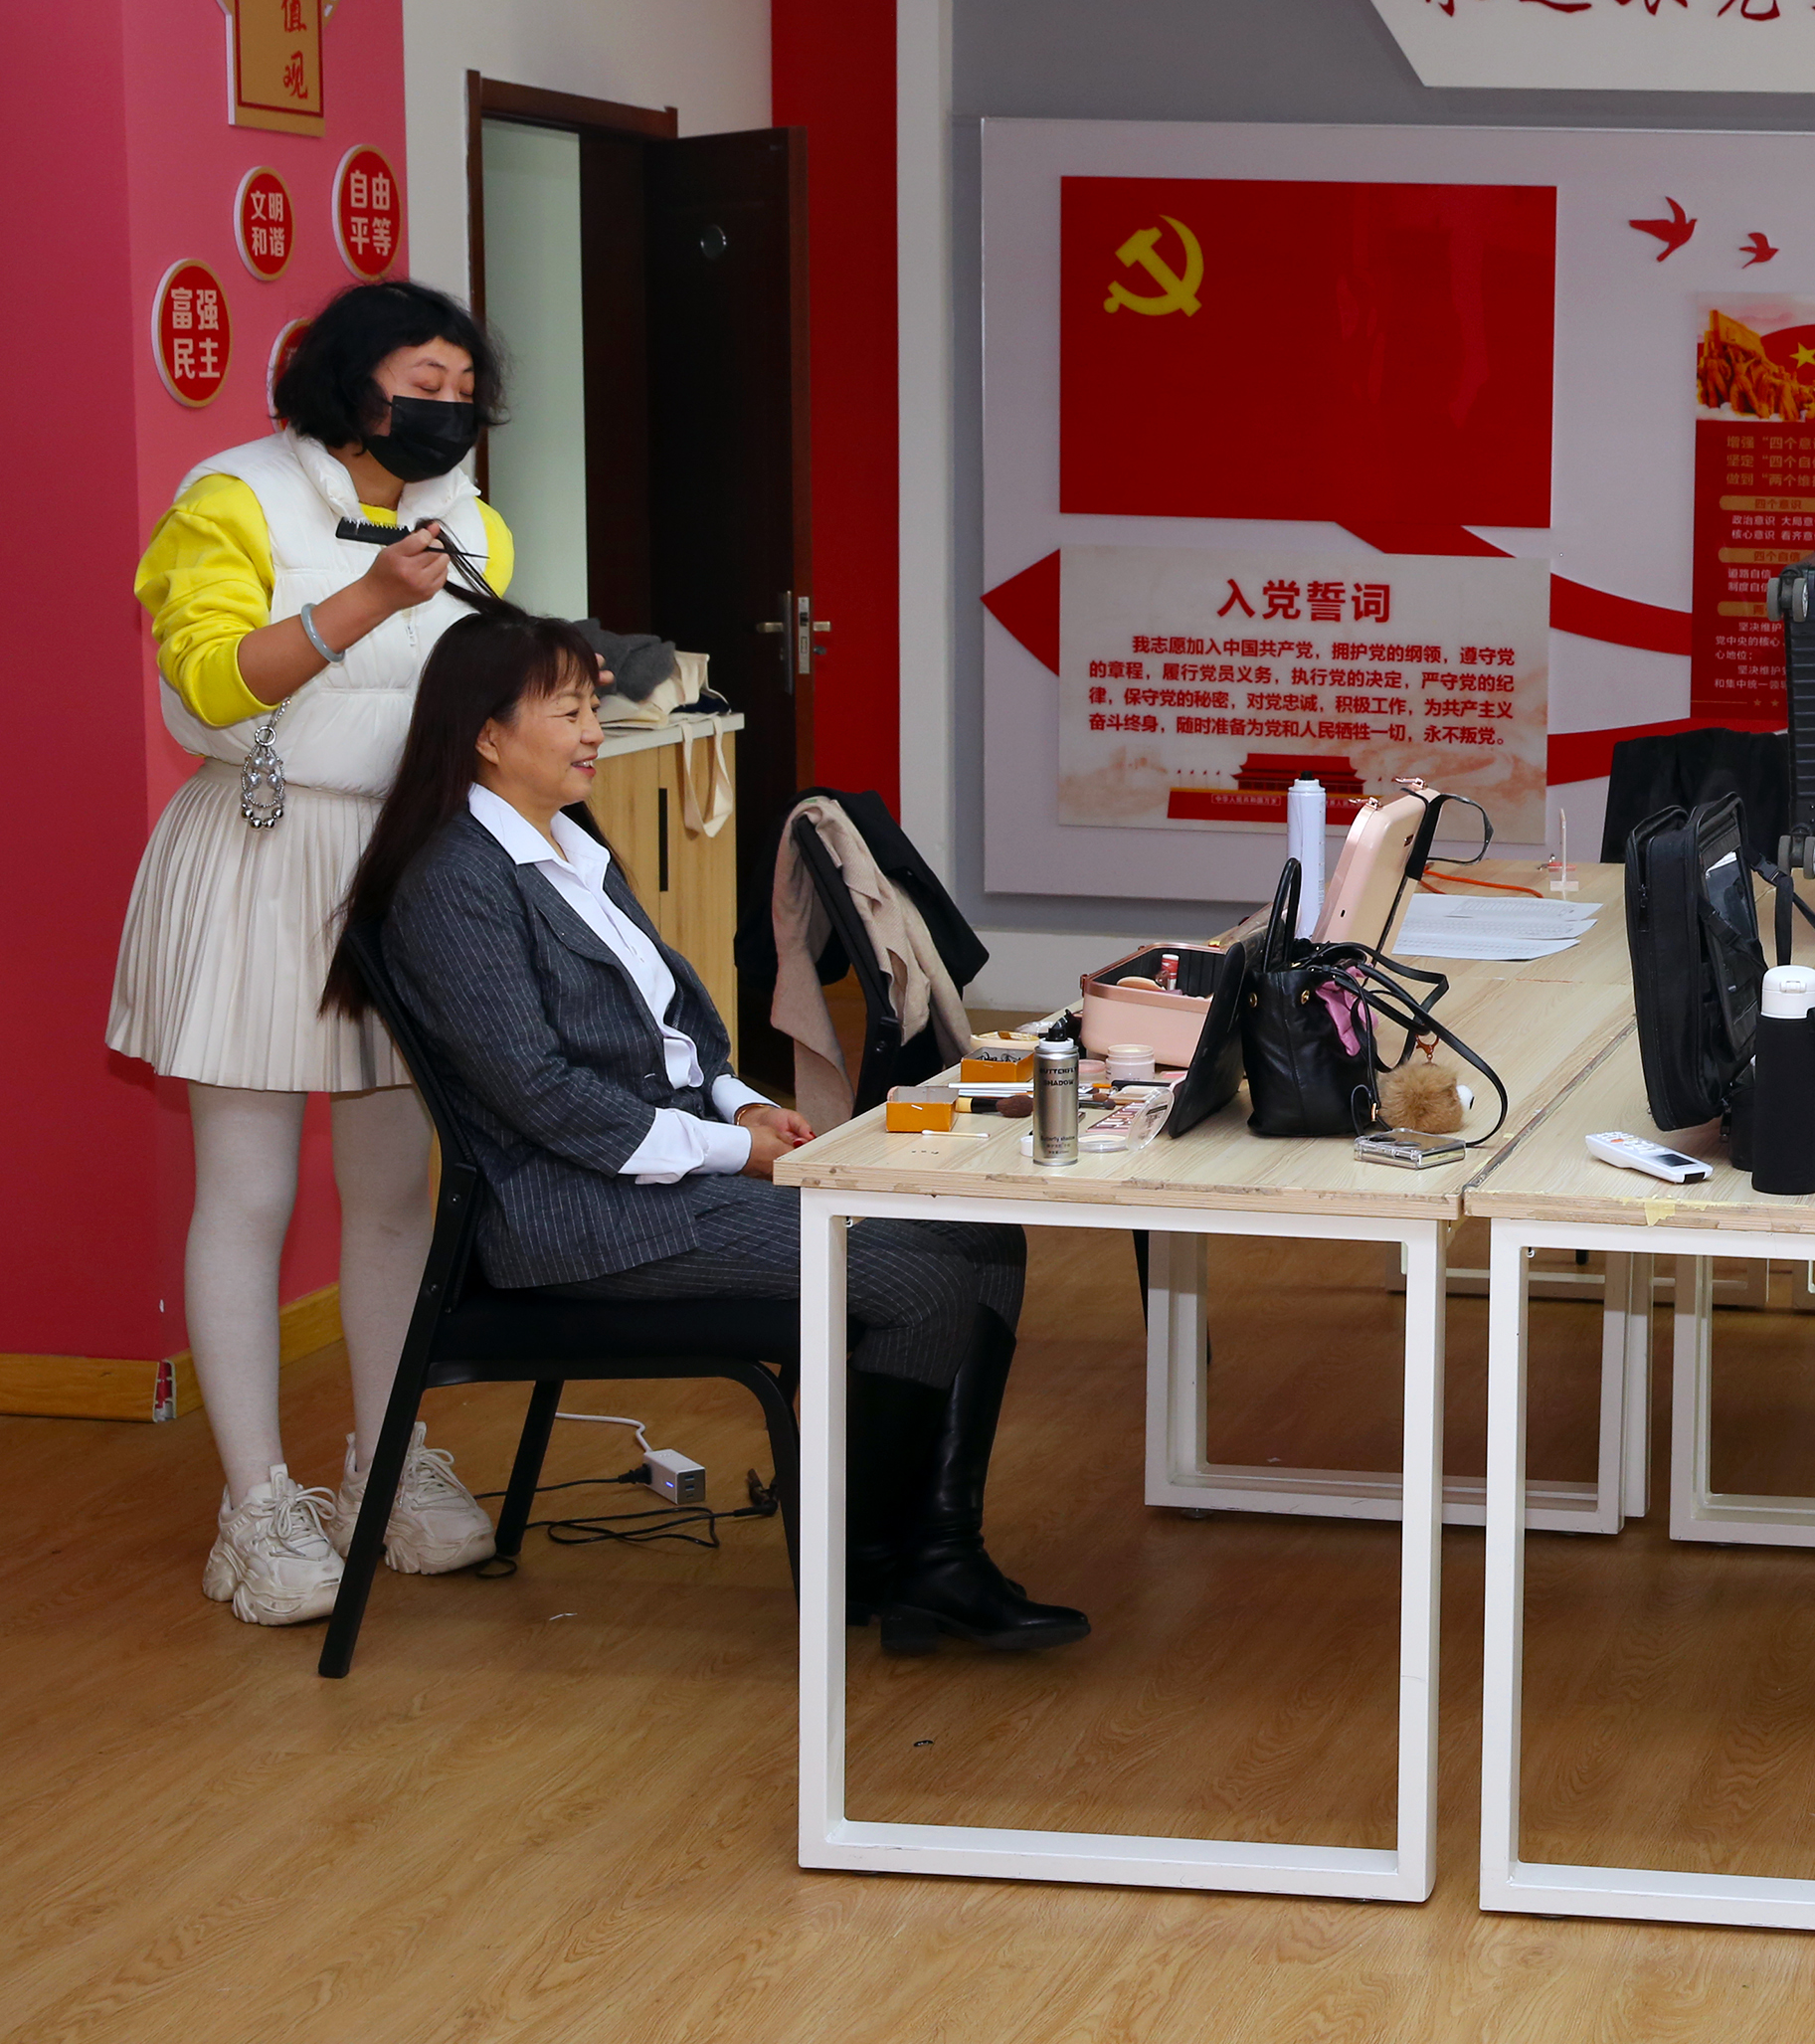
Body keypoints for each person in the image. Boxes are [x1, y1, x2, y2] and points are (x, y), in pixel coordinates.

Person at [335, 606, 1087, 1654]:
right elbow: (539, 1095)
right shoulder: (455, 881)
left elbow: (672, 1028)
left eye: (593, 707)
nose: (594, 731)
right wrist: (736, 1150)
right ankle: (881, 1563)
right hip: (584, 1216)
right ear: (488, 733)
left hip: (661, 1174)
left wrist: (738, 1104)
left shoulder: (570, 843)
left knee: (983, 1240)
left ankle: (930, 1552)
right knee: (922, 1282)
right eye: (568, 711)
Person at [112, 279, 515, 1626]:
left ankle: (387, 1465)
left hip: (405, 867)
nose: (446, 409)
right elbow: (211, 682)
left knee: (396, 1191)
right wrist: (365, 597)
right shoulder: (230, 497)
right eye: (423, 381)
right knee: (249, 1190)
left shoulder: (473, 523)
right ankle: (257, 1504)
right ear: (349, 379)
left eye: (465, 390)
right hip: (260, 851)